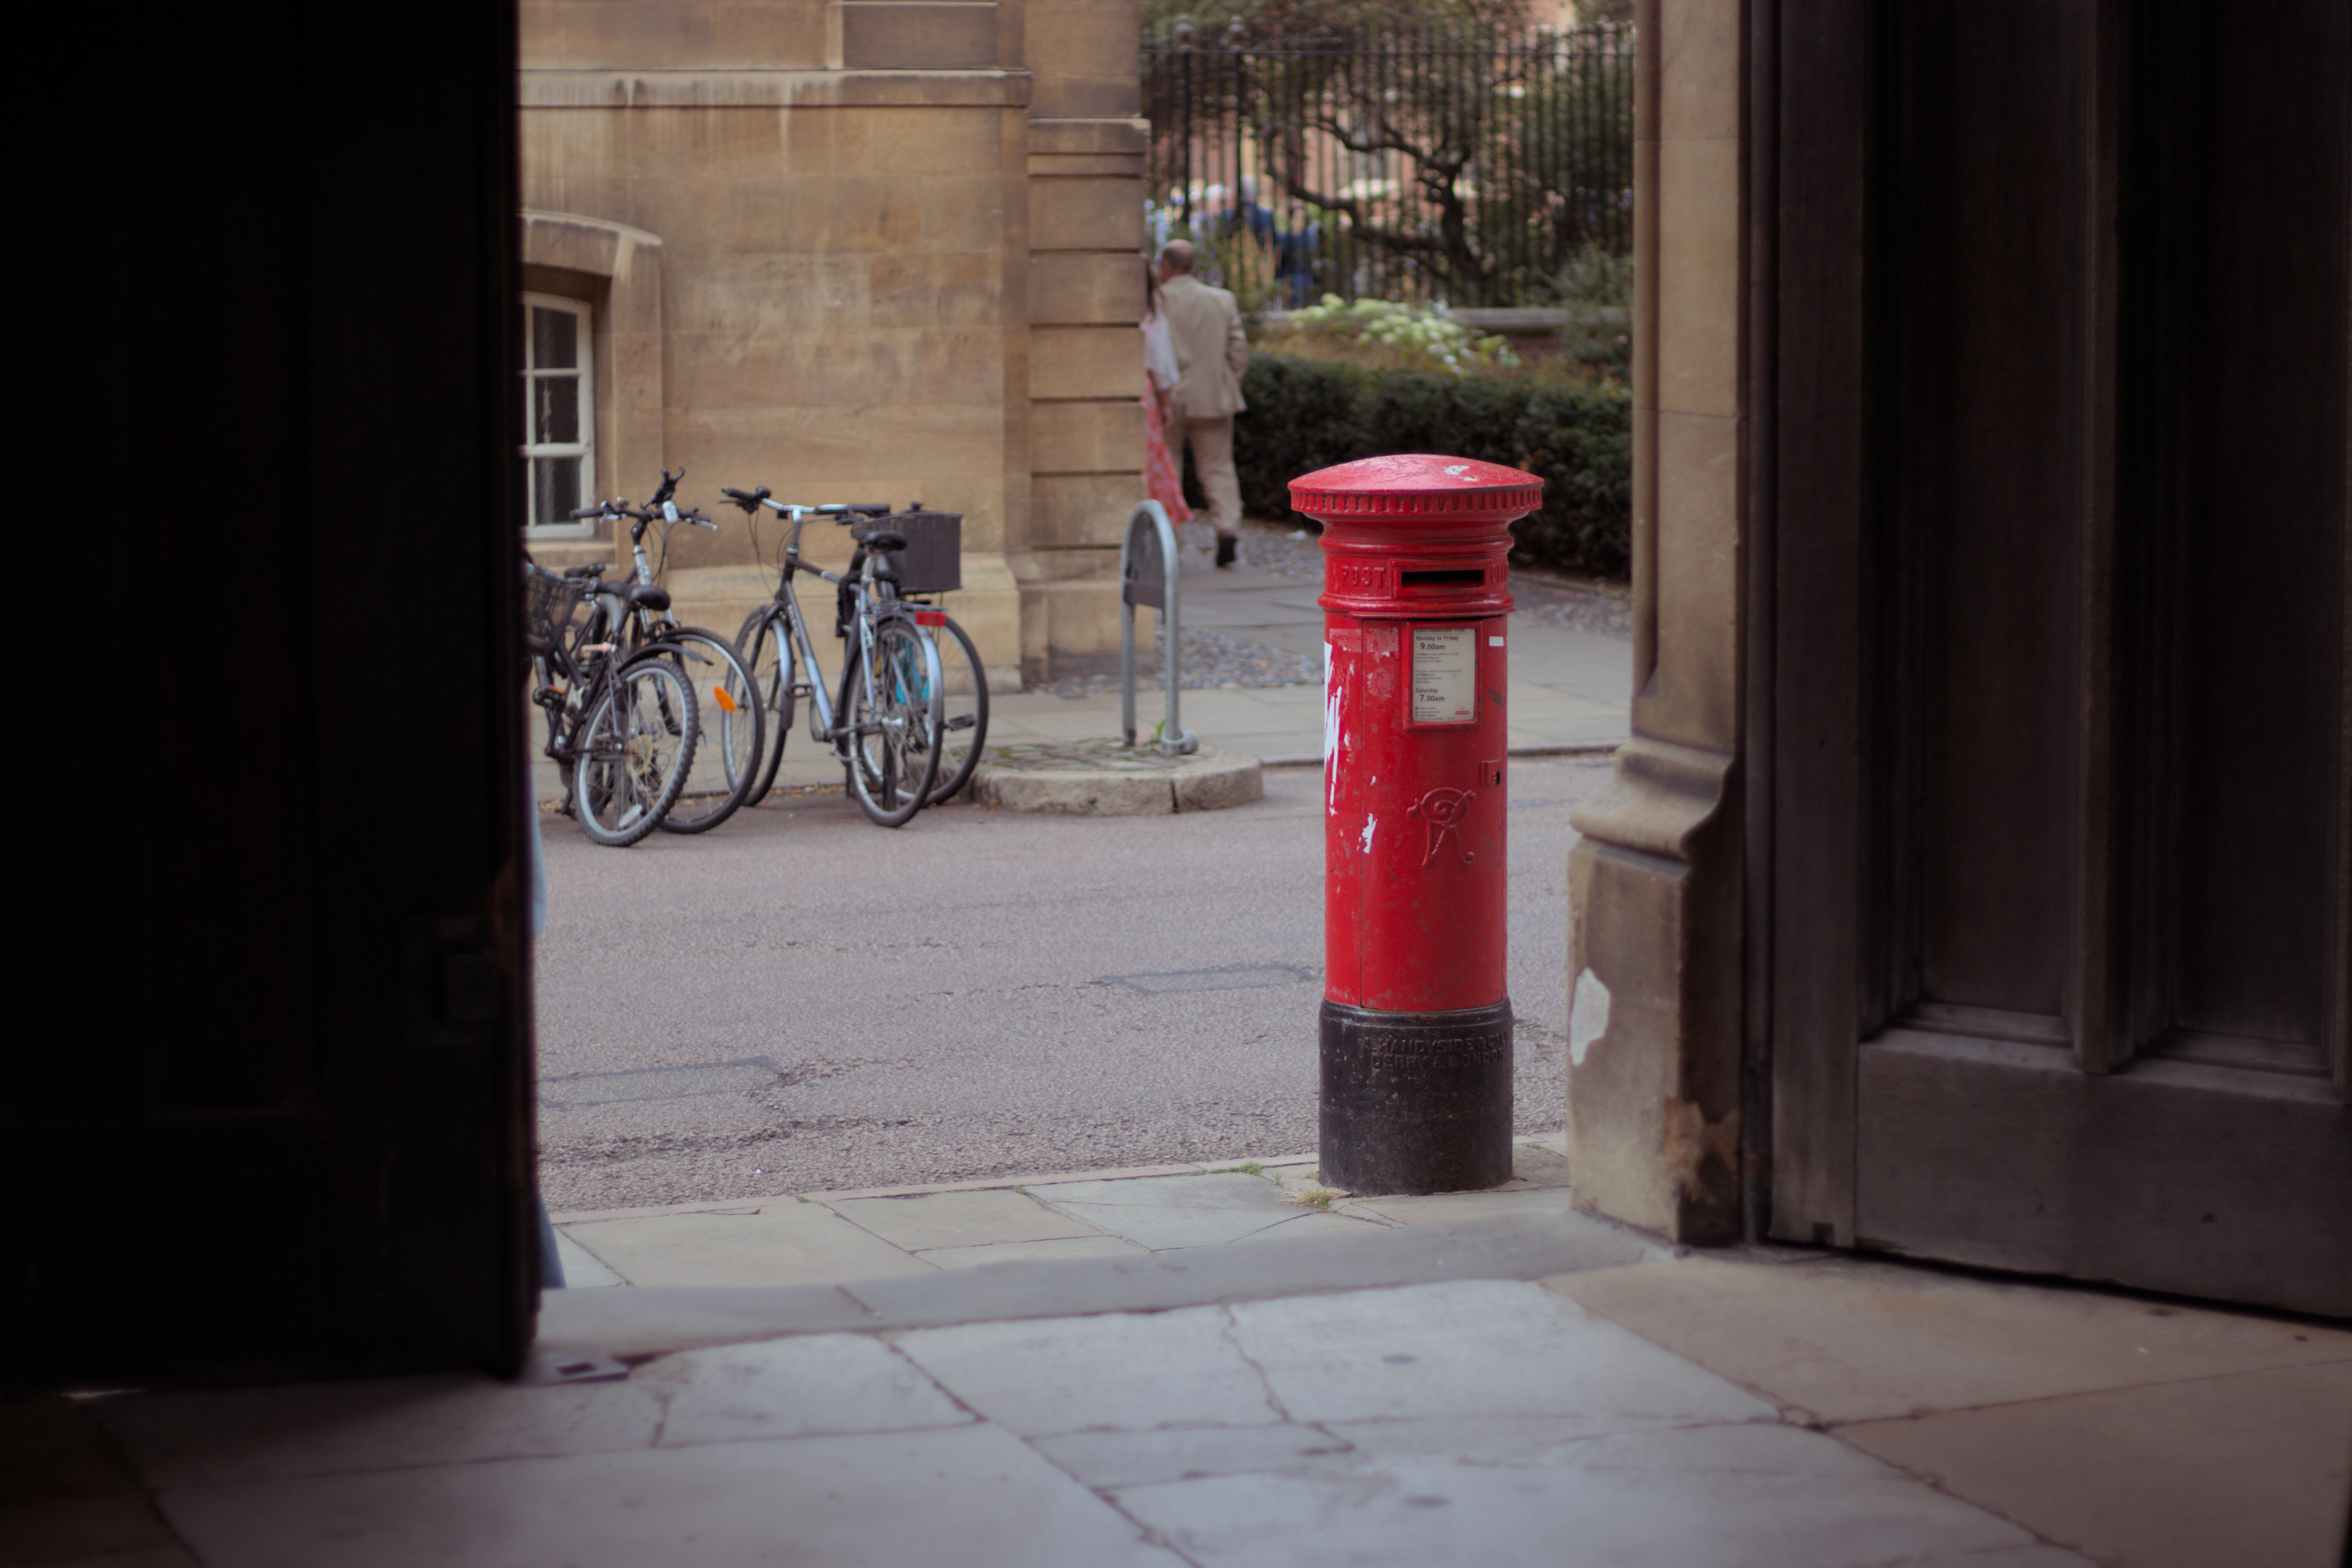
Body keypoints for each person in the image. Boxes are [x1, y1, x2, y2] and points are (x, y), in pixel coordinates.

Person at [1155, 239, 1249, 566]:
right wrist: (1227, 383)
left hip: (1166, 396)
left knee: (1169, 470)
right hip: (1213, 397)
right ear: (1192, 266)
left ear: (1165, 266)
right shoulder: (1221, 299)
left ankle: (1171, 539)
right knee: (1219, 468)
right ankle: (1226, 527)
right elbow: (1238, 350)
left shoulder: (1157, 300)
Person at [1140, 260, 1191, 527]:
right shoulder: (1149, 311)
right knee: (1149, 465)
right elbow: (1159, 358)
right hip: (1141, 389)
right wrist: (1165, 403)